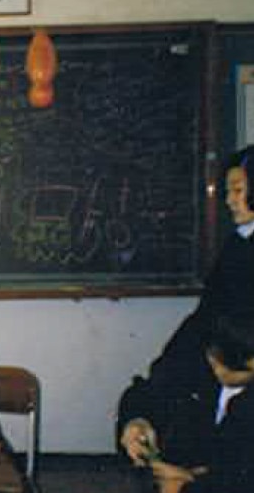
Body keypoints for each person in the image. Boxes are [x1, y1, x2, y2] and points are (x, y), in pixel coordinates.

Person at [118, 145, 254, 425]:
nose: (229, 201)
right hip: (219, 365)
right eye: (227, 191)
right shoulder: (238, 243)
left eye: (238, 191)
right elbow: (208, 313)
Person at [118, 311, 254, 493]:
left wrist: (190, 486)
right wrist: (136, 420)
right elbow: (147, 392)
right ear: (214, 359)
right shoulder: (196, 352)